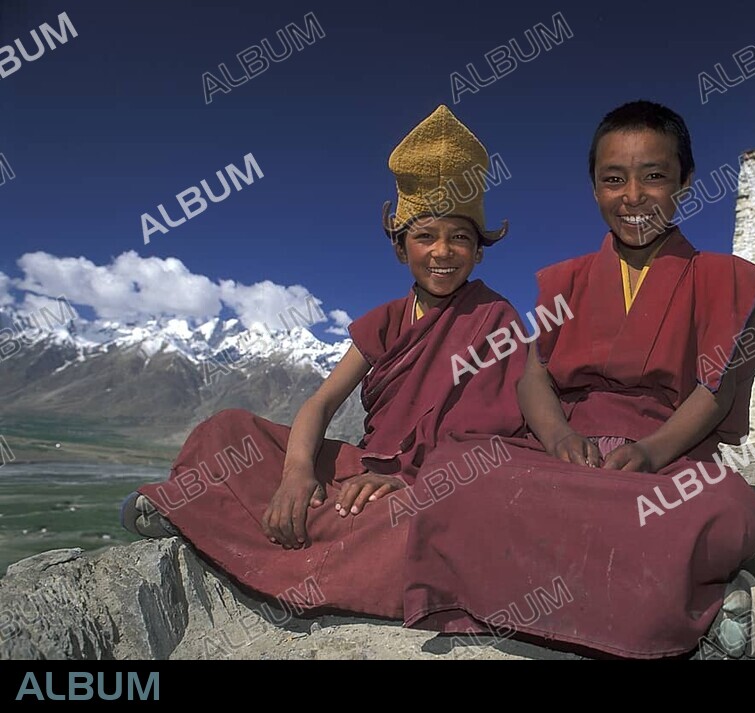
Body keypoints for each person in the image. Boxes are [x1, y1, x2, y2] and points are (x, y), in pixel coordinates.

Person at [402, 100, 755, 658]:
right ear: (594, 187)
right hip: (565, 452)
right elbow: (535, 376)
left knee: (722, 508)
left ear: (686, 181)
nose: (632, 197)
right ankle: (677, 605)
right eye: (613, 179)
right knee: (455, 474)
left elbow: (715, 390)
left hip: (667, 458)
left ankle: (525, 598)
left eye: (654, 176)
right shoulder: (567, 281)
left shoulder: (726, 279)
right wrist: (557, 440)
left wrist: (650, 454)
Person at [120, 105, 526, 619]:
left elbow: (497, 436)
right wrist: (295, 476)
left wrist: (409, 481)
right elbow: (322, 400)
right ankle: (283, 523)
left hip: (428, 487)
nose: (442, 251)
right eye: (425, 235)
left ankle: (217, 523)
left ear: (479, 250)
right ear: (401, 248)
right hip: (361, 468)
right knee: (229, 431)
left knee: (431, 524)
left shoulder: (496, 317)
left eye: (460, 237)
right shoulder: (383, 321)